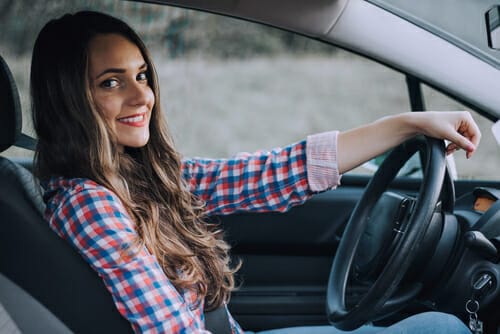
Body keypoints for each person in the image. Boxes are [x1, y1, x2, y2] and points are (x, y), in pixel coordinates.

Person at [31, 11, 478, 334]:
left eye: (142, 76)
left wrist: (404, 125)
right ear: (69, 99)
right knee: (443, 327)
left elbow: (270, 174)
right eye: (111, 82)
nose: (141, 97)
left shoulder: (142, 175)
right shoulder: (89, 201)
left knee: (439, 324)